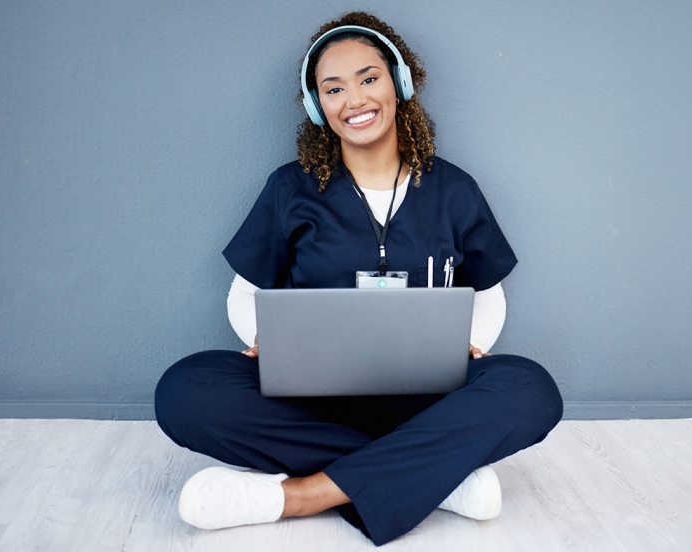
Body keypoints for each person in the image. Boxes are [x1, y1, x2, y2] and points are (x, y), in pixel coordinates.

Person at [154, 11, 563, 547]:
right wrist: (262, 338)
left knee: (531, 389)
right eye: (333, 88)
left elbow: (487, 290)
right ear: (316, 106)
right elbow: (245, 292)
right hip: (312, 400)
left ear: (400, 83)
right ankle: (436, 480)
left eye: (369, 78)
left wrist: (474, 344)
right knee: (185, 390)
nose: (355, 100)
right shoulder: (290, 189)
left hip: (428, 399)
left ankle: (302, 495)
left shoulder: (454, 189)